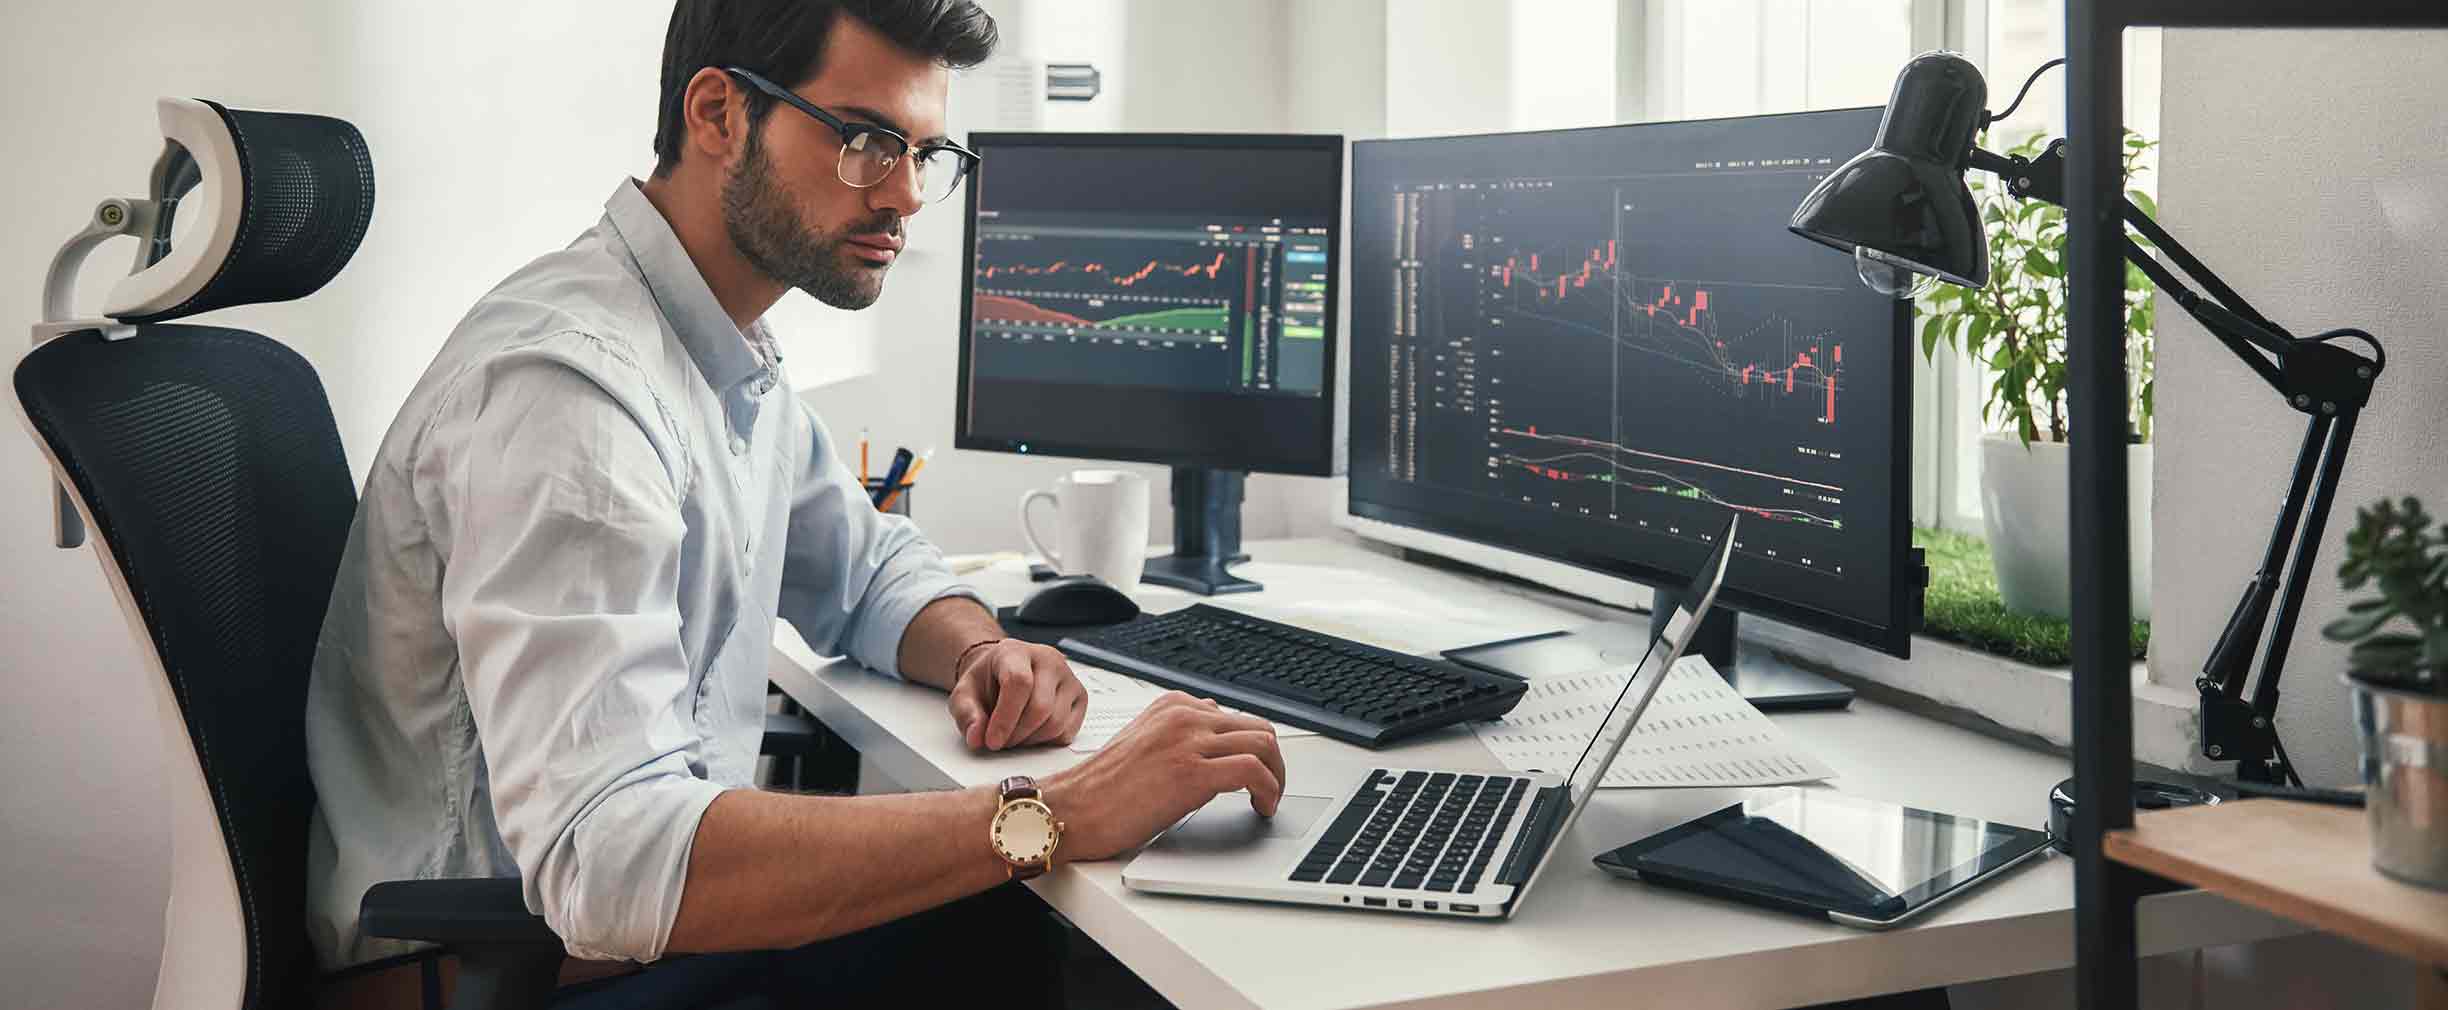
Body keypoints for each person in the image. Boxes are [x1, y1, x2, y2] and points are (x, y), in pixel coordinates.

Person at [303, 1, 1286, 1004]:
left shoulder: (724, 354)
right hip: (516, 974)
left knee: (1029, 927)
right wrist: (1056, 811)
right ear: (720, 114)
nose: (904, 193)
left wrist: (983, 650)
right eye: (865, 141)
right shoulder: (569, 397)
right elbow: (612, 862)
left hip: (621, 939)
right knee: (1057, 934)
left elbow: (866, 570)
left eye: (923, 153)